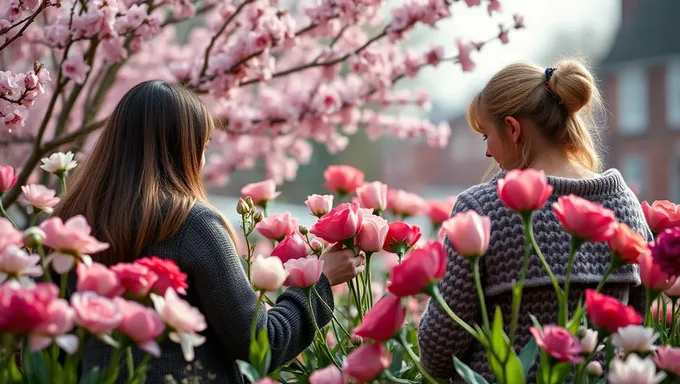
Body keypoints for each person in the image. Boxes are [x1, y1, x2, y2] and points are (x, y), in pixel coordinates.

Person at [53, 80, 364, 383]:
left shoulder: (69, 225)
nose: (201, 162)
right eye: (200, 147)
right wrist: (319, 284)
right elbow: (260, 344)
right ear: (181, 151)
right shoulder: (190, 223)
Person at [417, 59, 650, 382]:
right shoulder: (624, 205)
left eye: (486, 137)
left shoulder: (483, 210)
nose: (487, 153)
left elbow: (439, 354)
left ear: (513, 129)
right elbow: (641, 327)